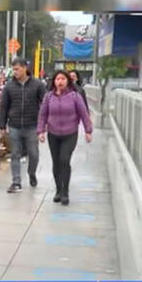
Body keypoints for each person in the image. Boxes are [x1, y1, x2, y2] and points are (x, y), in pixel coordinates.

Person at [37, 71, 93, 206]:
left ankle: (65, 192)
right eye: (57, 79)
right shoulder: (49, 97)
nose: (60, 81)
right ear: (54, 81)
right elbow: (42, 114)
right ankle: (58, 190)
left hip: (70, 133)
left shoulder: (75, 96)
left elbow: (84, 113)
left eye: (62, 79)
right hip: (53, 133)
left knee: (64, 160)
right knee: (56, 162)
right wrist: (40, 131)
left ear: (67, 81)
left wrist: (88, 130)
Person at [0, 58, 46, 193]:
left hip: (32, 125)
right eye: (13, 69)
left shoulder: (38, 84)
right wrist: (2, 125)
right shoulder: (9, 86)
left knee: (34, 154)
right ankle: (16, 182)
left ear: (25, 68)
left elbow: (46, 104)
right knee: (15, 154)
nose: (15, 72)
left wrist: (44, 124)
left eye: (17, 69)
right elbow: (4, 106)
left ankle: (32, 173)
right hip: (14, 125)